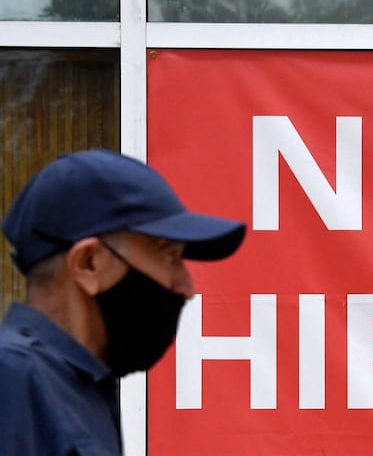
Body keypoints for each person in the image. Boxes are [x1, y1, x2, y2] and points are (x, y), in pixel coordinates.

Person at [0, 149, 246, 455]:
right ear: (88, 264)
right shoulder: (13, 381)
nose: (187, 287)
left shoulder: (75, 386)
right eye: (168, 255)